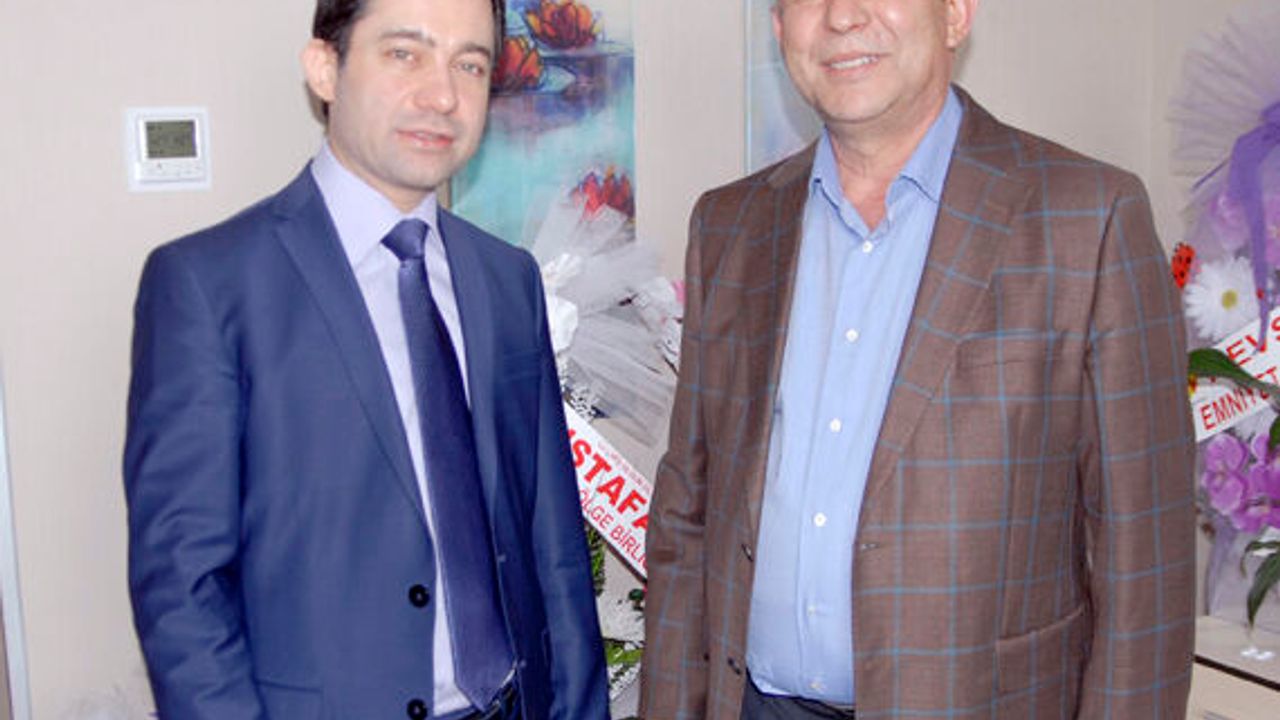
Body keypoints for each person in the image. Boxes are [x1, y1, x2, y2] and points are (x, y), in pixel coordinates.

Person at [641, 0, 1195, 718]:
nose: (841, 16)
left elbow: (1144, 565)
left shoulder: (1087, 219)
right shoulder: (729, 226)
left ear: (956, 14)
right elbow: (687, 514)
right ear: (779, 27)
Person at [123, 0, 609, 717]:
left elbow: (553, 545)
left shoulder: (507, 281)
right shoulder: (210, 285)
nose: (442, 95)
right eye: (404, 54)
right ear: (325, 68)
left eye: (470, 64)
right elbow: (182, 584)